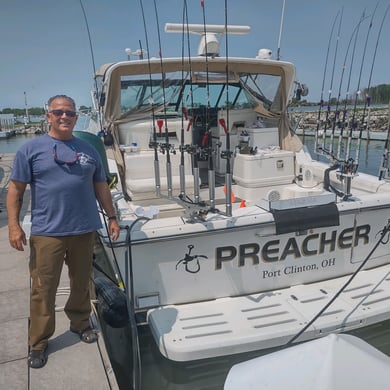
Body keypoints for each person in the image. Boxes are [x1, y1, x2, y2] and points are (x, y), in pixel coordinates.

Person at [6, 95, 120, 369]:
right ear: (48, 116)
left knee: (81, 283)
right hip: (48, 233)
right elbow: (15, 190)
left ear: (76, 117)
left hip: (84, 230)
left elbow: (102, 185)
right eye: (58, 112)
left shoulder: (88, 149)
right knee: (43, 289)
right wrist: (13, 225)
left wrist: (112, 217)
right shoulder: (30, 150)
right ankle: (38, 342)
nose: (64, 117)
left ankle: (80, 323)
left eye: (69, 112)